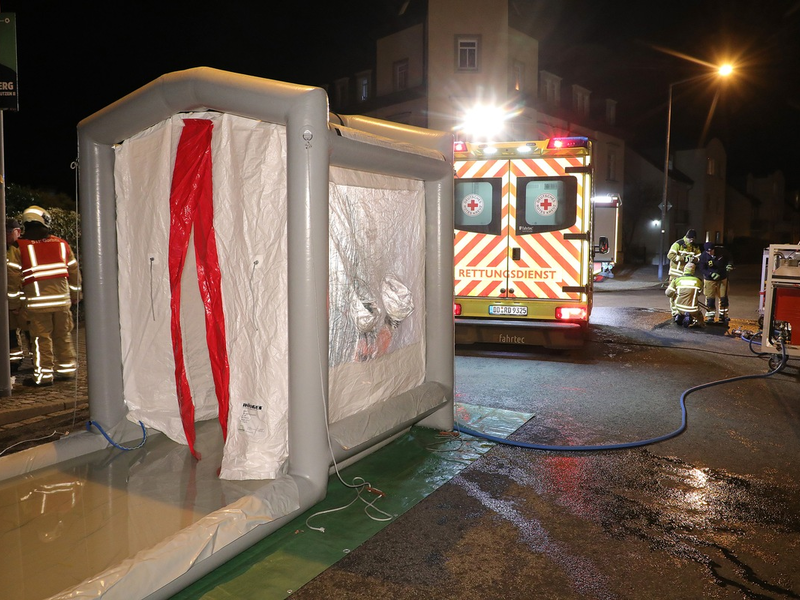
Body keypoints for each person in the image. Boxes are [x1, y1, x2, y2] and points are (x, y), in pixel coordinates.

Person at [7, 206, 81, 387]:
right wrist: (75, 294)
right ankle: (67, 369)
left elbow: (12, 277)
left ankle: (44, 376)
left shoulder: (19, 247)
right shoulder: (61, 244)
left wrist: (14, 303)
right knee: (63, 336)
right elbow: (74, 271)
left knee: (41, 339)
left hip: (37, 305)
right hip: (63, 302)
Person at [666, 229, 702, 316]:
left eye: (693, 239)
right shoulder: (678, 244)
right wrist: (684, 258)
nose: (691, 241)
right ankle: (675, 312)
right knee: (674, 293)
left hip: (687, 274)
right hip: (676, 273)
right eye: (690, 239)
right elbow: (670, 255)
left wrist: (695, 259)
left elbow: (699, 258)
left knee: (685, 293)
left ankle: (683, 311)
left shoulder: (695, 247)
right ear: (686, 237)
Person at [698, 241, 734, 325]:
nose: (710, 252)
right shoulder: (704, 256)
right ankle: (710, 316)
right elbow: (702, 268)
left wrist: (730, 265)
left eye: (711, 250)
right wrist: (711, 274)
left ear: (714, 249)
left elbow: (730, 258)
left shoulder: (722, 251)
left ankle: (723, 316)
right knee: (710, 298)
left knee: (723, 297)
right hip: (710, 279)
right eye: (708, 251)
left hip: (722, 278)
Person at [5, 217, 24, 372]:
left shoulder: (23, 247)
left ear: (18, 232)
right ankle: (15, 361)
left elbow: (14, 276)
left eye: (9, 232)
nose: (6, 235)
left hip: (24, 299)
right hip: (10, 299)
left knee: (33, 333)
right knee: (11, 332)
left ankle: (39, 363)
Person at [665, 262, 704, 328]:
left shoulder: (676, 280)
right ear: (693, 271)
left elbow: (668, 293)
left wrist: (675, 294)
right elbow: (699, 293)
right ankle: (697, 321)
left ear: (684, 269)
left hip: (679, 307)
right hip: (693, 309)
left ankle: (677, 314)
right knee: (699, 315)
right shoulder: (698, 281)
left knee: (673, 298)